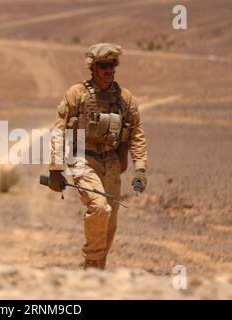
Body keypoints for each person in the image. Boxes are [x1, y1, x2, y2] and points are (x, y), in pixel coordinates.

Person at [48, 43, 148, 269]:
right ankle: (91, 263)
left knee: (110, 223)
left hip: (111, 162)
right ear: (92, 68)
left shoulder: (125, 98)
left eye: (113, 65)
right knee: (100, 207)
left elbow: (137, 133)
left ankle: (96, 276)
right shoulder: (77, 94)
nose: (109, 70)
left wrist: (140, 168)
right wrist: (56, 168)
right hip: (83, 158)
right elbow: (59, 130)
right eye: (104, 65)